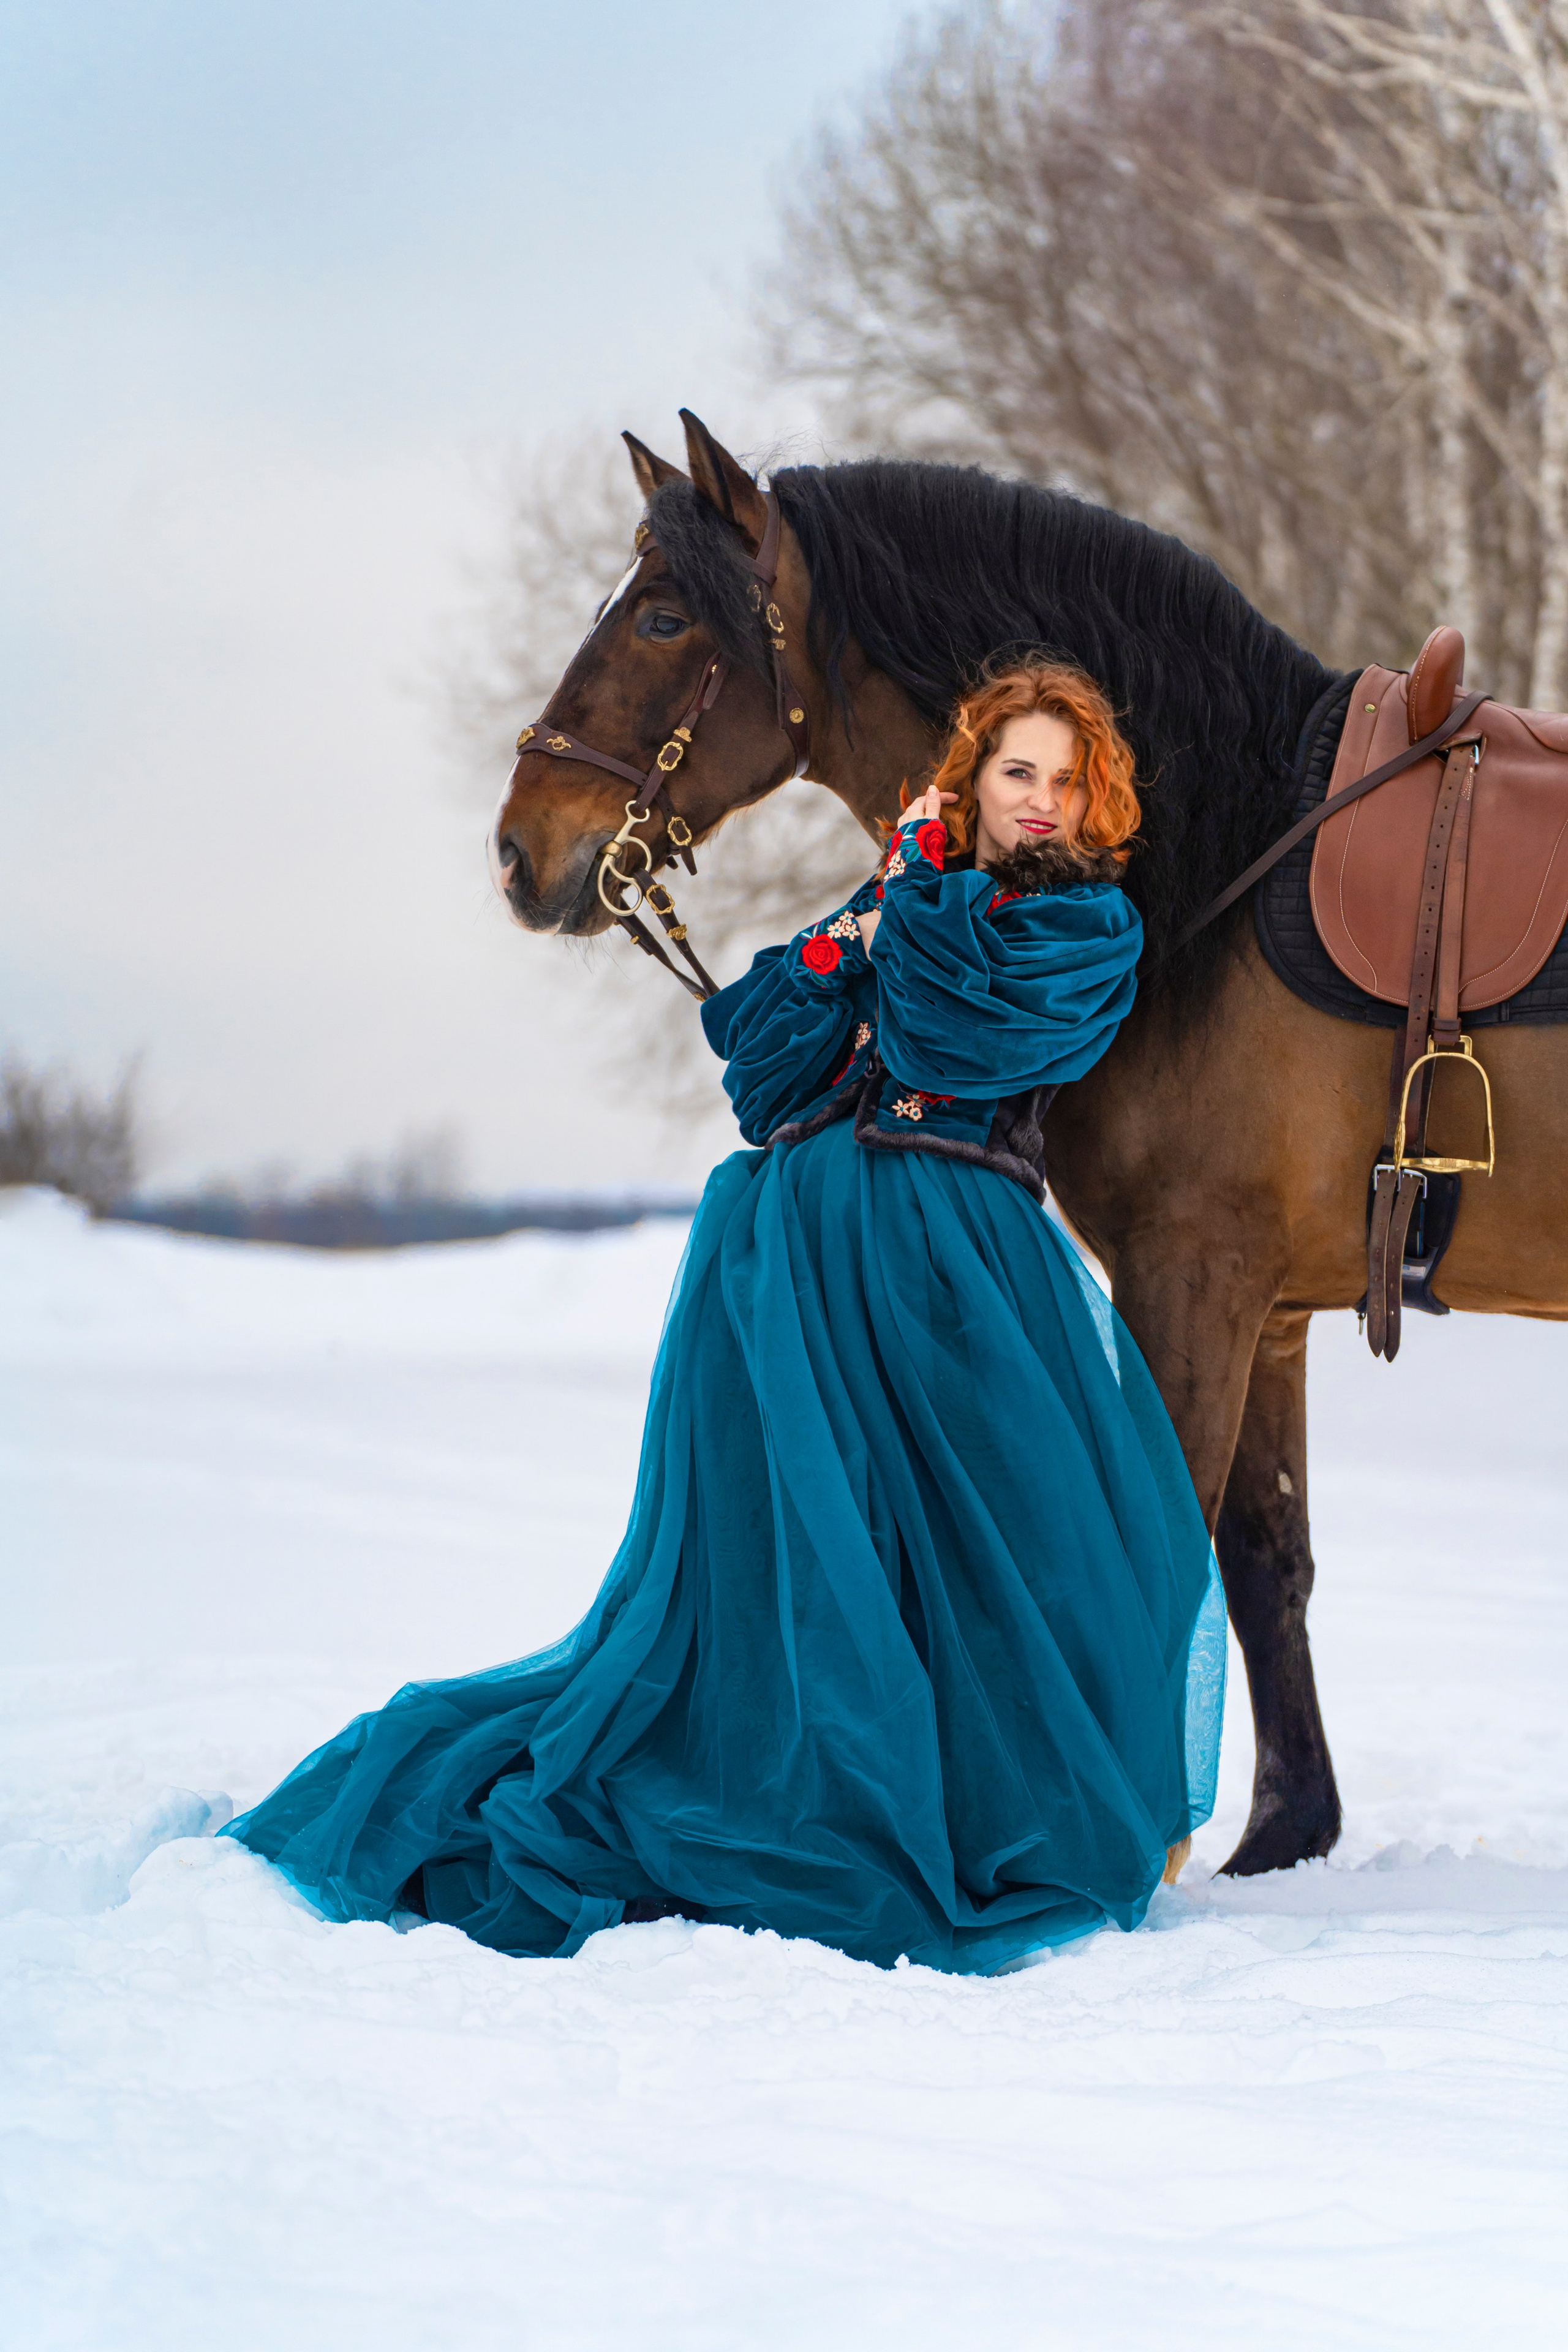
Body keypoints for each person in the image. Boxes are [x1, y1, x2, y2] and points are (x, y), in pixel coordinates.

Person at [225, 658, 1225, 1976]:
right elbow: (761, 1061)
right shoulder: (908, 891)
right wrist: (855, 930)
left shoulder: (1087, 929)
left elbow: (940, 1042)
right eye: (1014, 770)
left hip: (954, 1259)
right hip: (791, 1250)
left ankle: (979, 1804)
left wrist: (895, 913)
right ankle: (789, 1780)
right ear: (971, 780)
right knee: (797, 1548)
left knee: (996, 1540)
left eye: (1063, 778)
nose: (1039, 799)